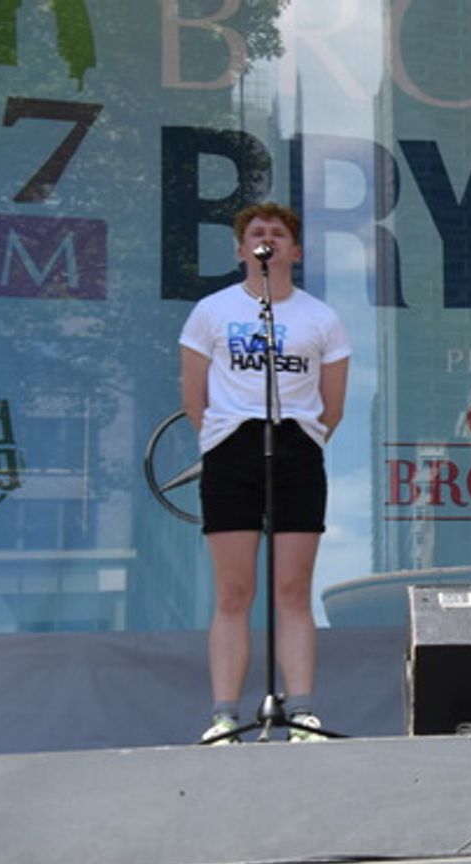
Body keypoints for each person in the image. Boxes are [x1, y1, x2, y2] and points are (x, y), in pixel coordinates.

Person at [180, 203, 350, 743]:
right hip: (233, 447)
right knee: (234, 590)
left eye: (278, 234)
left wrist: (306, 438)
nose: (267, 239)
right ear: (240, 249)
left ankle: (301, 712)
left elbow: (333, 404)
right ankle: (224, 715)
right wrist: (223, 437)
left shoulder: (319, 318)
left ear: (295, 252)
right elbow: (194, 396)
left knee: (293, 588)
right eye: (257, 233)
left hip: (296, 447)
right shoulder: (211, 311)